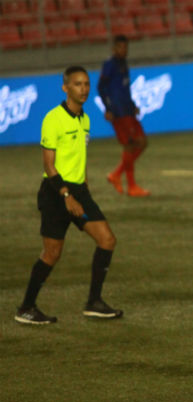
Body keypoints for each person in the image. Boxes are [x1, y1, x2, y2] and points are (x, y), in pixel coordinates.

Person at [15, 66, 123, 325]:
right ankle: (26, 307)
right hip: (55, 193)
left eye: (86, 84)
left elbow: (79, 157)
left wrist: (83, 187)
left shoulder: (85, 119)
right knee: (51, 253)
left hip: (78, 192)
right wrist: (66, 195)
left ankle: (93, 302)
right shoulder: (53, 119)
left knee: (107, 240)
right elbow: (49, 166)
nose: (83, 89)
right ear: (65, 88)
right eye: (77, 84)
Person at [98, 34, 150, 197]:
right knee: (130, 144)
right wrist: (108, 108)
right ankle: (132, 186)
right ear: (114, 49)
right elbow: (101, 87)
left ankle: (116, 174)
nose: (124, 50)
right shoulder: (109, 64)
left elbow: (124, 88)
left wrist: (132, 105)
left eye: (125, 47)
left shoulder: (123, 63)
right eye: (120, 47)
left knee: (142, 142)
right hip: (118, 111)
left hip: (127, 109)